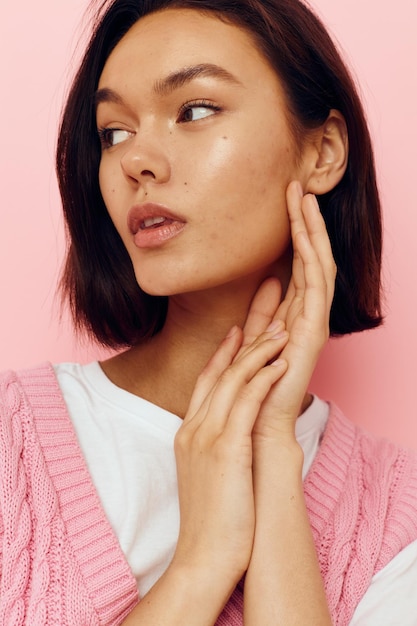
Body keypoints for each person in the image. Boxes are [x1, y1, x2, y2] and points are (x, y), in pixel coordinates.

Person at [1, 0, 416, 624]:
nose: (135, 160)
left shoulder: (394, 513)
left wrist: (273, 456)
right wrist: (203, 561)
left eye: (194, 110)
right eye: (114, 131)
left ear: (323, 152)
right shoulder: (11, 441)